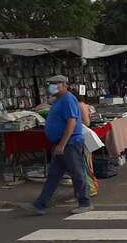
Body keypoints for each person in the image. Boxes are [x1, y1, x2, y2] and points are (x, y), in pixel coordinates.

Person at [22, 75, 92, 215]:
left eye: (54, 84)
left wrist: (62, 144)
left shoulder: (67, 99)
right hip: (62, 143)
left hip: (69, 143)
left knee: (77, 173)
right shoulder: (59, 100)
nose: (51, 87)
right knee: (54, 175)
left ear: (63, 84)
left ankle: (85, 203)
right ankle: (40, 205)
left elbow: (71, 122)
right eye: (50, 84)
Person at [71, 89, 98, 198]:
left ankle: (91, 189)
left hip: (82, 136)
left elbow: (86, 122)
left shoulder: (80, 106)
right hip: (81, 136)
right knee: (85, 164)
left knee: (85, 165)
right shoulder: (81, 105)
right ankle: (88, 189)